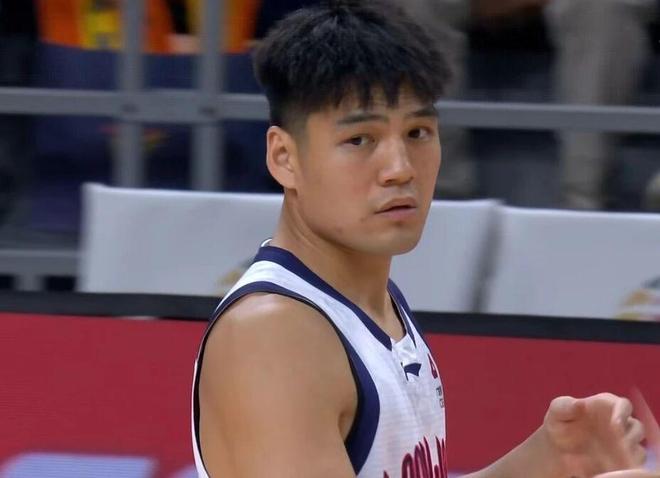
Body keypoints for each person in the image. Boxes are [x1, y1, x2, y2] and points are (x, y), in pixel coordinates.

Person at [191, 2, 655, 477]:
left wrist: (545, 462)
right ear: (284, 157)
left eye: (417, 132)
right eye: (360, 139)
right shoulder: (274, 335)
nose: (400, 169)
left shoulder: (366, 300)